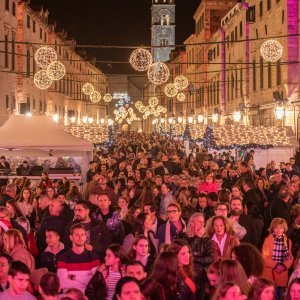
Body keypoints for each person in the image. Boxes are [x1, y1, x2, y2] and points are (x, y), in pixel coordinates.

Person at [57, 223, 100, 293]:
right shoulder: (63, 258)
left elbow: (96, 282)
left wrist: (74, 278)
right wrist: (85, 284)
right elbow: (62, 283)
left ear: (86, 237)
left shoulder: (93, 257)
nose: (80, 237)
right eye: (77, 235)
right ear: (71, 237)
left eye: (82, 235)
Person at [261, 218, 294, 299]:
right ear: (272, 228)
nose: (279, 230)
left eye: (281, 228)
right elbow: (264, 257)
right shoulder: (268, 240)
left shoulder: (288, 241)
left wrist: (284, 266)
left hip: (282, 273)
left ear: (284, 229)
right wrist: (276, 265)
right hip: (270, 273)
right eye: (276, 228)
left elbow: (290, 257)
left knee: (279, 296)